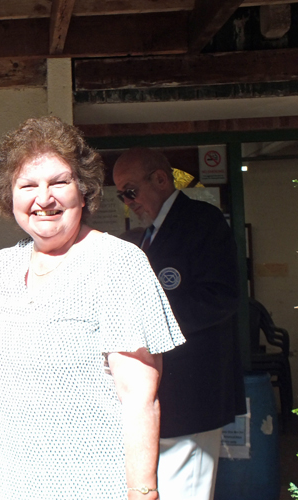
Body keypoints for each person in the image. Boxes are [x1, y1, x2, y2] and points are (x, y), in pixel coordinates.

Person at [0, 117, 185, 500]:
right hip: (11, 490)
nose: (44, 198)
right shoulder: (1, 268)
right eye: (28, 185)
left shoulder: (118, 263)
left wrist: (143, 493)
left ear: (83, 191)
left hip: (96, 491)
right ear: (11, 198)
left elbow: (140, 398)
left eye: (59, 182)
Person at [113, 147, 246, 500]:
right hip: (159, 398)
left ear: (159, 179)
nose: (128, 203)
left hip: (194, 395)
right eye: (121, 195)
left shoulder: (202, 221)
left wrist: (147, 322)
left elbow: (222, 297)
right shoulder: (147, 236)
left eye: (130, 191)